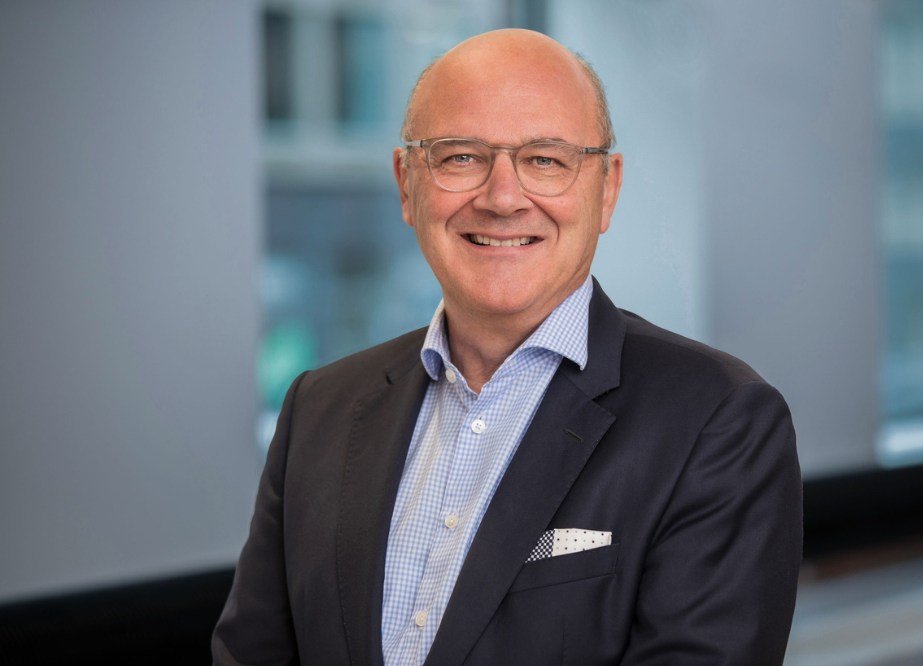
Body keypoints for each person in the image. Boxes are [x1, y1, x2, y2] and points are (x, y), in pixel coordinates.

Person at [213, 29, 801, 666]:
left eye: (546, 160)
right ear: (407, 183)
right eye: (460, 157)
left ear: (606, 189)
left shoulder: (718, 422)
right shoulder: (318, 409)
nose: (501, 197)